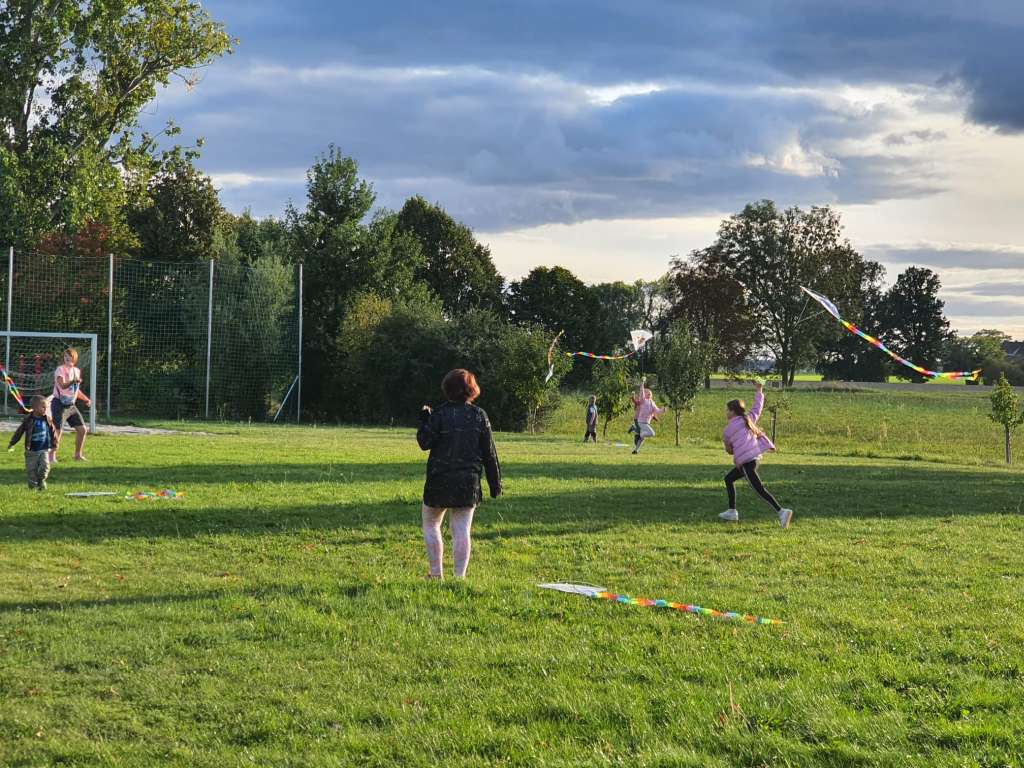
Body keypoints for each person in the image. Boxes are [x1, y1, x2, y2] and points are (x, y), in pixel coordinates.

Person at [416, 369, 502, 579]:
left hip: (439, 479)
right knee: (462, 530)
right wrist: (495, 484)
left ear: (447, 389)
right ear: (472, 390)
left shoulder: (439, 415)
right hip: (468, 481)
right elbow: (490, 453)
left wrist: (424, 420)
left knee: (431, 524)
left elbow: (424, 442)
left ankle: (436, 574)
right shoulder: (479, 415)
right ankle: (459, 576)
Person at [720, 380, 793, 528]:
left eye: (727, 410)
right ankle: (732, 511)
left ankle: (782, 511)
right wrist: (759, 390)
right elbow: (758, 407)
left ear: (732, 411)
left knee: (759, 489)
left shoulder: (727, 431)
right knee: (729, 479)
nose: (726, 412)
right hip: (752, 460)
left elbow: (729, 450)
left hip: (746, 463)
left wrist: (731, 446)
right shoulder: (749, 419)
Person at [51, 347, 92, 462]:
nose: (67, 359)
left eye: (69, 357)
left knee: (82, 429)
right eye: (65, 357)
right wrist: (73, 381)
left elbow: (75, 390)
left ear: (75, 359)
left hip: (71, 405)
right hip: (59, 404)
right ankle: (51, 456)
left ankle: (78, 455)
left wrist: (86, 399)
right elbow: (62, 385)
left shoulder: (77, 371)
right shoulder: (60, 369)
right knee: (57, 431)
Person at [9, 395, 58, 490]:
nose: (45, 409)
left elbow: (53, 431)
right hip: (31, 450)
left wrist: (55, 443)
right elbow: (19, 431)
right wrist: (12, 442)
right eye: (43, 407)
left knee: (45, 467)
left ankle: (41, 481)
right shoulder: (28, 420)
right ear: (35, 408)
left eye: (46, 407)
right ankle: (33, 486)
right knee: (31, 470)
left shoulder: (47, 419)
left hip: (44, 449)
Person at [627, 376, 665, 454]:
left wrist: (663, 409)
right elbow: (641, 391)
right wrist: (642, 382)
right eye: (648, 393)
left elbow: (657, 411)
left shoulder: (652, 403)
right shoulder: (644, 400)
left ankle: (636, 450)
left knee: (642, 438)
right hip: (641, 422)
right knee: (652, 433)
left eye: (650, 393)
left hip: (646, 423)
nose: (649, 393)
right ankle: (640, 433)